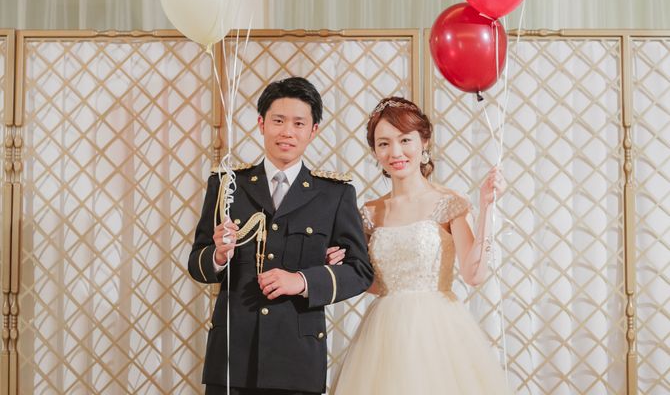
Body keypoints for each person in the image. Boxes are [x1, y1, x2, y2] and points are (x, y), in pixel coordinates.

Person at [187, 77, 374, 395]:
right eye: (278, 121)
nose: (287, 132)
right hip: (233, 357)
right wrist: (218, 255)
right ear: (261, 124)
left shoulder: (334, 193)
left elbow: (359, 271)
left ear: (313, 130)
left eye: (299, 123)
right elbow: (197, 263)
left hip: (296, 360)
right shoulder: (227, 184)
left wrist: (302, 281)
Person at [328, 96, 513, 394]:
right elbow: (372, 283)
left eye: (405, 140)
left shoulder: (449, 203)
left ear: (423, 141)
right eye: (384, 143)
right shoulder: (369, 213)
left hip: (439, 331)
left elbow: (474, 274)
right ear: (375, 150)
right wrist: (340, 266)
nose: (395, 152)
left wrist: (487, 207)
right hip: (384, 335)